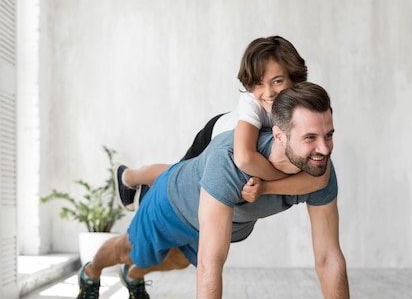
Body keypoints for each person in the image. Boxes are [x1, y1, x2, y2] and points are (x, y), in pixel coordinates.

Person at [75, 82, 380, 299]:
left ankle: (134, 276)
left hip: (215, 222)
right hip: (173, 203)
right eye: (310, 137)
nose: (324, 148)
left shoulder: (317, 169)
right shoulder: (230, 161)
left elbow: (328, 255)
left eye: (329, 135)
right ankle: (91, 273)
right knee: (129, 251)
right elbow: (211, 262)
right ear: (279, 135)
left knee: (175, 261)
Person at [116, 35, 330, 211]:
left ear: (295, 79)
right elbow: (245, 158)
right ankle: (130, 176)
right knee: (178, 176)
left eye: (277, 81)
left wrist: (268, 186)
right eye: (258, 84)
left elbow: (319, 179)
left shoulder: (305, 107)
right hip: (214, 136)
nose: (268, 93)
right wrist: (283, 177)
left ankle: (147, 189)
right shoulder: (251, 101)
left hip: (236, 153)